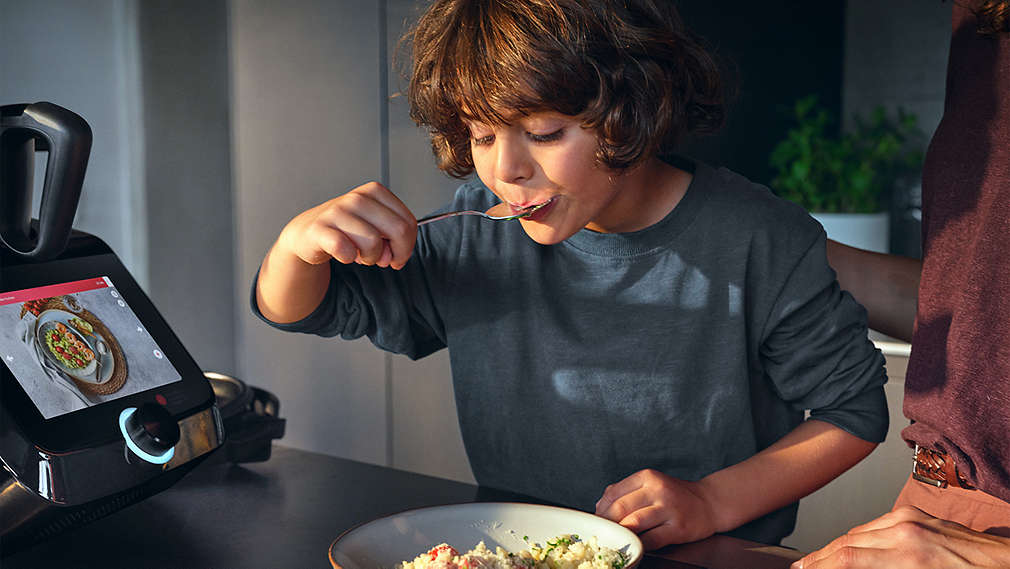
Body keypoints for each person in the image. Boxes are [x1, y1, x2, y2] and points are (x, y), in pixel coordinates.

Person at [253, 0, 888, 550]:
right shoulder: (476, 227)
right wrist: (295, 248)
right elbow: (306, 308)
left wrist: (713, 502)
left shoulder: (758, 238)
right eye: (480, 135)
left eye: (544, 132)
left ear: (630, 107)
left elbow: (854, 410)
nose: (506, 170)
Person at [793, 1, 1010, 567]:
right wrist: (762, 249)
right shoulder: (980, 29)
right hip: (929, 510)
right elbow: (980, 310)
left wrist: (990, 557)